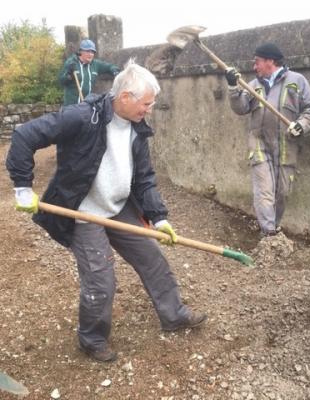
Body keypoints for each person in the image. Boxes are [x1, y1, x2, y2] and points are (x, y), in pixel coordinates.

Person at [6, 59, 207, 362]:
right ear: (126, 97)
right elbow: (25, 136)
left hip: (118, 206)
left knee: (152, 258)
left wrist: (159, 217)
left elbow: (144, 178)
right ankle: (91, 338)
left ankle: (174, 315)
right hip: (83, 210)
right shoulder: (83, 117)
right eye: (147, 103)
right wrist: (23, 187)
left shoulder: (137, 128)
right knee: (101, 280)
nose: (149, 109)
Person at [224, 43, 310, 237]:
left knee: (282, 192)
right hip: (259, 143)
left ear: (270, 61)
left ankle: (273, 227)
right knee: (264, 191)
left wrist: (301, 125)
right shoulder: (253, 85)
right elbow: (240, 108)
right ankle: (269, 233)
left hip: (287, 145)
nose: (254, 66)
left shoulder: (297, 81)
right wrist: (233, 87)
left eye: (257, 61)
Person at [59, 39, 120, 106]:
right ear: (81, 51)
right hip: (71, 106)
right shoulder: (71, 62)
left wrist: (115, 71)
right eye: (88, 51)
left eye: (92, 52)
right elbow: (61, 81)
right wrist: (69, 75)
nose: (91, 54)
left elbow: (108, 66)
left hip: (85, 106)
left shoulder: (95, 64)